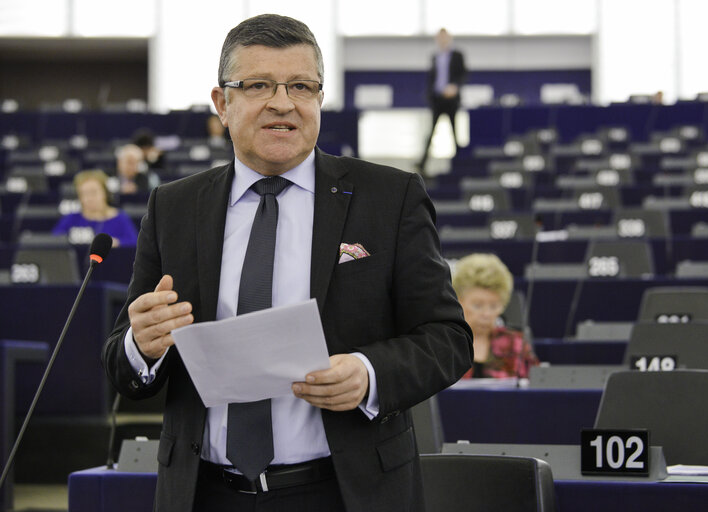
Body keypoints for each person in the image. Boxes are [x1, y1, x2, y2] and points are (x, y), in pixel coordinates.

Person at [102, 14, 472, 512]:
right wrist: (140, 346)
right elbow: (123, 362)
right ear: (222, 105)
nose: (283, 102)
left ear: (319, 98)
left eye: (301, 86)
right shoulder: (172, 207)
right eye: (258, 85)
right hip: (204, 494)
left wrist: (368, 373)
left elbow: (447, 338)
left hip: (344, 491)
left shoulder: (390, 197)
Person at [452, 253, 539, 379]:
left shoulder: (516, 344)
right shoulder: (443, 343)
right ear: (458, 301)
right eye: (477, 305)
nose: (486, 314)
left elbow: (536, 387)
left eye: (493, 306)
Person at [416, 27, 467, 175]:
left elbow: (462, 74)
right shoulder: (435, 56)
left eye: (444, 37)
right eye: (440, 37)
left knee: (454, 131)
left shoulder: (457, 55)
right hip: (437, 100)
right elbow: (432, 78)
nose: (442, 40)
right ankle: (423, 163)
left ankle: (458, 164)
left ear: (449, 38)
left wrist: (454, 87)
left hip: (451, 99)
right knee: (431, 132)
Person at [52, 169, 137, 247]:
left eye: (93, 192)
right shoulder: (71, 218)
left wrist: (117, 243)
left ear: (105, 193)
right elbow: (54, 242)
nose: (89, 198)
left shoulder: (120, 219)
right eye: (84, 193)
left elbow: (134, 244)